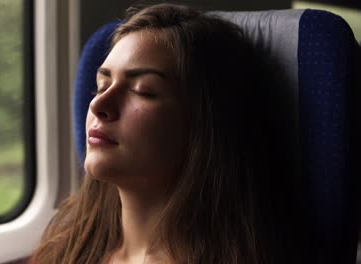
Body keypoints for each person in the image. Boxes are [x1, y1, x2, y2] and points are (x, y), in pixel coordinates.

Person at [30, 3, 302, 264]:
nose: (98, 105)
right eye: (101, 86)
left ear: (204, 126)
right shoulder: (67, 246)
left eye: (142, 90)